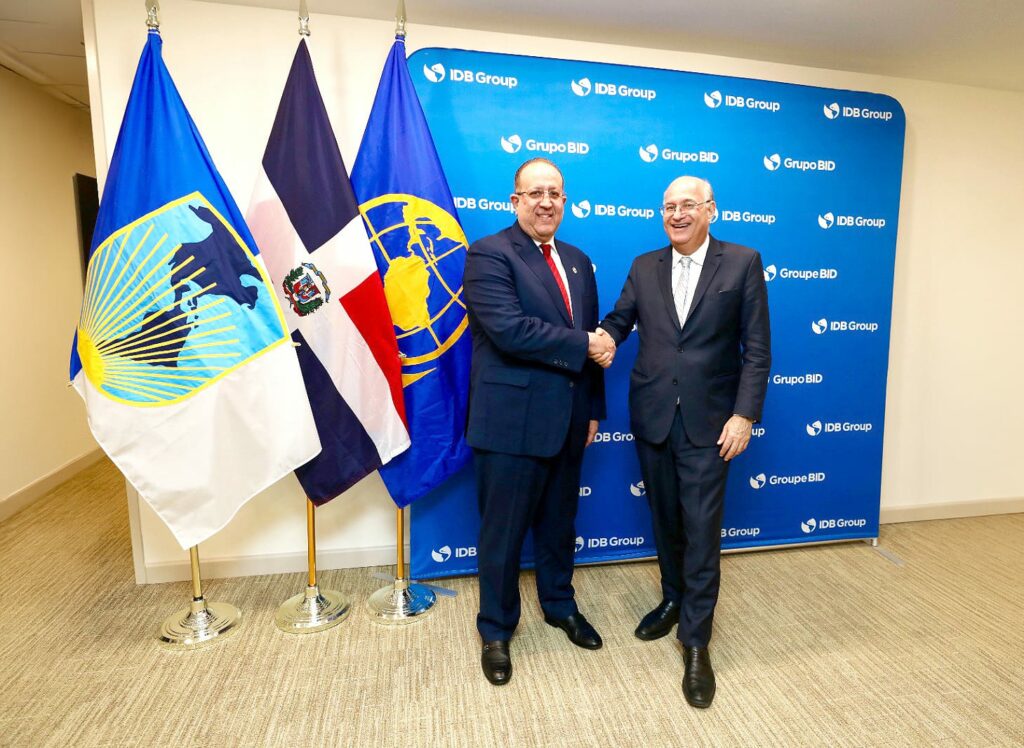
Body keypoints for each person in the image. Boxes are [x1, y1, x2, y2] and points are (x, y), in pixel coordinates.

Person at [598, 176, 771, 707]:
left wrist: (744, 415)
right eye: (669, 206)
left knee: (700, 531)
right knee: (666, 521)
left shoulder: (742, 262)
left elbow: (757, 349)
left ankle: (696, 641)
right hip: (653, 416)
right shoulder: (643, 265)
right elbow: (620, 320)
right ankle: (673, 598)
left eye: (688, 205)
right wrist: (600, 339)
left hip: (710, 423)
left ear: (710, 210)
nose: (677, 214)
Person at [463, 157, 613, 686]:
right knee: (502, 535)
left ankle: (559, 605)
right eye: (535, 193)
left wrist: (592, 408)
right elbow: (510, 330)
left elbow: (590, 343)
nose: (546, 202)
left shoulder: (578, 260)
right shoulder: (489, 253)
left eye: (555, 193)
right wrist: (586, 344)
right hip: (509, 423)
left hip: (568, 419)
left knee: (559, 524)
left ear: (564, 201)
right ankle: (496, 629)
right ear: (516, 201)